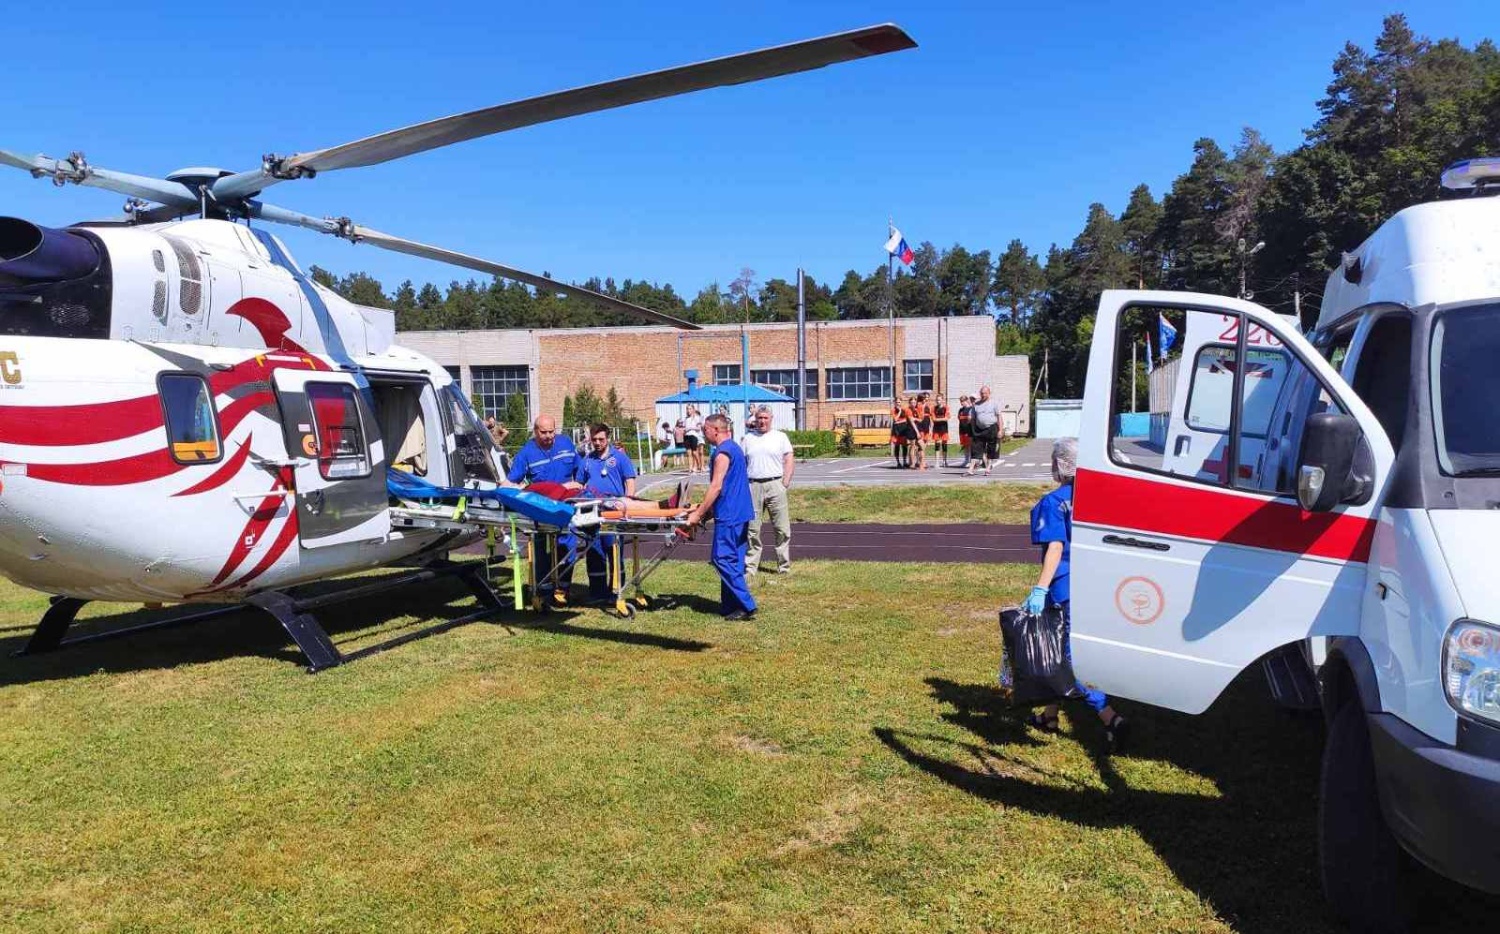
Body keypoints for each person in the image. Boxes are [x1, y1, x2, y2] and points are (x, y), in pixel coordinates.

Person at [1022, 438, 1130, 752]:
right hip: (1094, 585)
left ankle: (1110, 717)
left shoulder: (1054, 502)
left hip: (1065, 587)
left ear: (1061, 464)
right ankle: (1050, 717)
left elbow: (1055, 547)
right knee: (1058, 650)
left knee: (1067, 659)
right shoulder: (1099, 499)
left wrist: (1041, 587)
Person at [684, 413, 757, 620]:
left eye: (705, 429)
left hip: (730, 515)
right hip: (740, 512)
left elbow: (716, 487)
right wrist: (706, 512)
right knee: (734, 561)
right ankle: (730, 606)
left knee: (721, 558)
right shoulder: (735, 448)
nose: (702, 433)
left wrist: (697, 515)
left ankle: (747, 604)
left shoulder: (722, 452)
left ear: (715, 430)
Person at [508, 415, 580, 606]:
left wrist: (579, 484)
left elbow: (580, 470)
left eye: (551, 432)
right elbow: (512, 480)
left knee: (567, 546)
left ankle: (563, 588)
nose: (549, 436)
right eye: (544, 432)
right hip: (542, 509)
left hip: (566, 506)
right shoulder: (526, 453)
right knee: (542, 550)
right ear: (535, 431)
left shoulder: (566, 443)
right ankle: (544, 590)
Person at [572, 423, 637, 601]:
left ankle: (616, 589)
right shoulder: (587, 460)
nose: (598, 443)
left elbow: (630, 480)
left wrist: (628, 501)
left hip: (614, 509)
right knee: (594, 550)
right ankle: (597, 592)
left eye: (601, 439)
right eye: (594, 440)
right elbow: (579, 483)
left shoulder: (620, 457)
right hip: (592, 510)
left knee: (613, 549)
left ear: (607, 438)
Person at [741, 405, 794, 576]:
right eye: (759, 418)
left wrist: (785, 482)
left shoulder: (780, 437)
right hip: (753, 486)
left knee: (782, 528)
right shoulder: (748, 439)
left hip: (775, 484)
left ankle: (784, 567)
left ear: (771, 419)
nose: (762, 421)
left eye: (765, 418)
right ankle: (750, 569)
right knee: (752, 529)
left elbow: (788, 459)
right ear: (754, 419)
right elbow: (741, 463)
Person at [967, 386, 1001, 477]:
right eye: (982, 393)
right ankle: (970, 469)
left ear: (989, 393)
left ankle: (988, 467)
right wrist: (970, 421)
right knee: (975, 448)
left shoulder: (994, 403)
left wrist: (1000, 430)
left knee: (991, 449)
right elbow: (972, 417)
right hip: (979, 429)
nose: (983, 395)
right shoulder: (976, 405)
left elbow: (999, 417)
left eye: (985, 393)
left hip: (991, 428)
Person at [682, 405, 705, 474]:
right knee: (689, 453)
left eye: (690, 409)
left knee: (694, 452)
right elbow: (684, 428)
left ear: (693, 409)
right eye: (687, 409)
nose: (688, 410)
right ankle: (690, 468)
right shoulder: (686, 419)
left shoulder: (697, 418)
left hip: (694, 435)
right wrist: (684, 430)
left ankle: (699, 465)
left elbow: (698, 428)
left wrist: (691, 428)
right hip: (687, 436)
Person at [914, 392, 933, 471]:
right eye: (925, 397)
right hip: (920, 427)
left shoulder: (929, 406)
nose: (926, 399)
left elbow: (931, 419)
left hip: (927, 428)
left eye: (927, 397)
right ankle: (922, 463)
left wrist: (931, 429)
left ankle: (919, 462)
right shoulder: (918, 405)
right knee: (922, 446)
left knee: (923, 446)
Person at [932, 394, 951, 467]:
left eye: (939, 400)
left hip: (944, 428)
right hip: (936, 428)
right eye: (937, 400)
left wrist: (938, 419)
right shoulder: (934, 408)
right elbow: (933, 419)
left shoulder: (946, 408)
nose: (938, 401)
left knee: (944, 444)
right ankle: (937, 462)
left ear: (942, 400)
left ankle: (944, 461)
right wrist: (941, 419)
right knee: (937, 444)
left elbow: (947, 418)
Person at [957, 395, 973, 468]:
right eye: (961, 401)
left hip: (968, 431)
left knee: (970, 446)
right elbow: (959, 419)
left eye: (963, 401)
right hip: (962, 431)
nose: (962, 403)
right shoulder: (960, 410)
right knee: (965, 446)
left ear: (967, 400)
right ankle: (966, 460)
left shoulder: (971, 409)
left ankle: (971, 461)